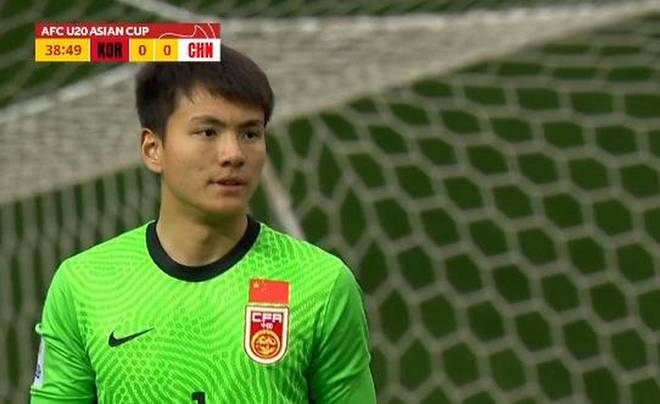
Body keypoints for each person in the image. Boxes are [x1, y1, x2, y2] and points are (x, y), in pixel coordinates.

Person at [30, 44, 376, 403]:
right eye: (208, 132)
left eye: (250, 134)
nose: (233, 154)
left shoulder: (321, 285)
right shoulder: (83, 284)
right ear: (153, 148)